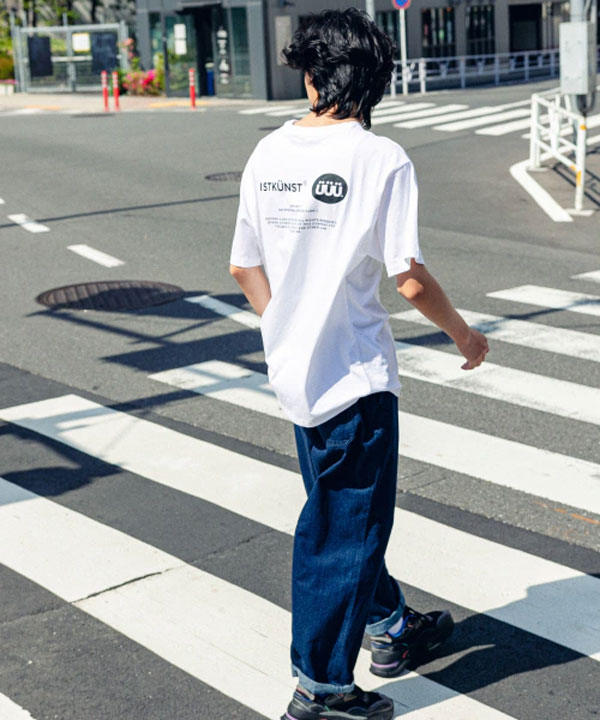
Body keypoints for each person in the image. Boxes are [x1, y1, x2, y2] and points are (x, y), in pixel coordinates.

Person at [229, 8, 489, 719]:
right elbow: (410, 279)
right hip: (354, 378)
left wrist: (287, 328)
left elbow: (244, 266)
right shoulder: (380, 159)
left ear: (313, 75)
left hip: (296, 375)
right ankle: (321, 690)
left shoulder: (267, 152)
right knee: (342, 532)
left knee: (342, 516)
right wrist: (466, 336)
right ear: (374, 80)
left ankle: (392, 625)